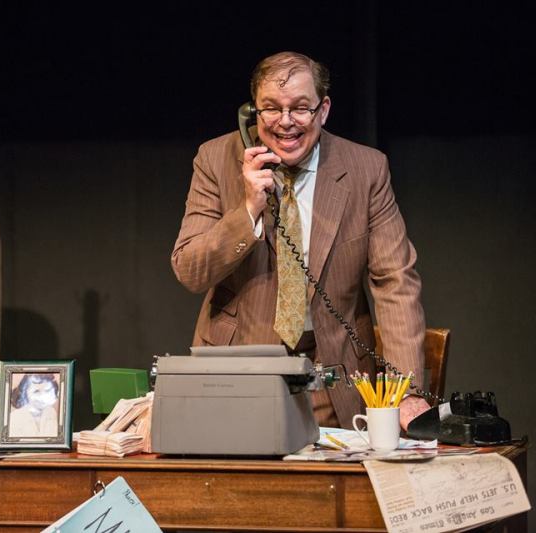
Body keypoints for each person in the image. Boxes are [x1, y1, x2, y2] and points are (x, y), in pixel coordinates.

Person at [171, 51, 428, 430]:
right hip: (239, 370)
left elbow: (396, 282)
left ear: (323, 110)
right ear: (252, 111)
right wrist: (247, 210)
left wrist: (405, 392)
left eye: (300, 108)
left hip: (331, 373)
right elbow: (190, 271)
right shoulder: (214, 160)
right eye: (271, 108)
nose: (285, 122)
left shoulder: (367, 169)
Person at [9, 373, 59, 437]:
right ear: (25, 393)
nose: (43, 397)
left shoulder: (51, 412)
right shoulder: (15, 418)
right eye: (36, 391)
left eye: (47, 390)